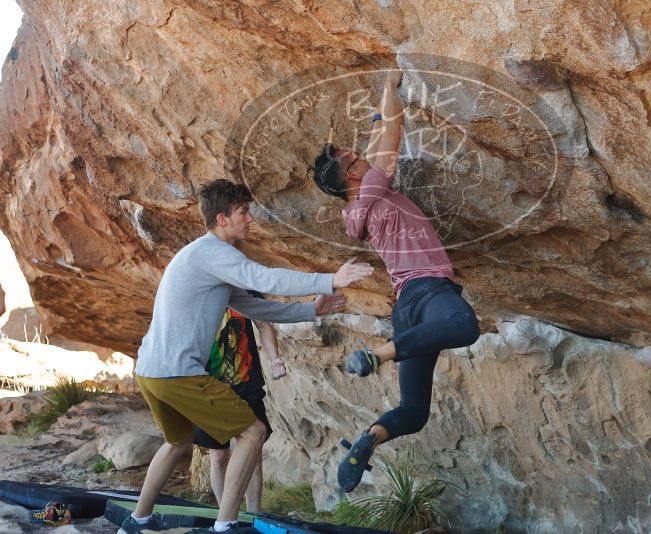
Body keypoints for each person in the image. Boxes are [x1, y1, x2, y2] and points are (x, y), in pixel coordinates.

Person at [119, 178, 372, 534]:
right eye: (243, 212)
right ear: (222, 218)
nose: (250, 219)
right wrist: (330, 278)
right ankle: (226, 525)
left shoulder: (203, 257)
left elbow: (253, 305)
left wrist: (310, 311)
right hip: (178, 373)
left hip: (150, 371)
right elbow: (264, 278)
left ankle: (136, 521)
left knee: (178, 442)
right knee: (253, 432)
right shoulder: (215, 253)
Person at [310, 70, 481, 493]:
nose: (361, 155)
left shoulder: (353, 208)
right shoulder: (371, 185)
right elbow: (393, 128)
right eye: (352, 157)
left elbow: (372, 146)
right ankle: (378, 355)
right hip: (427, 290)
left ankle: (369, 438)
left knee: (413, 411)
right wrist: (389, 87)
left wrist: (370, 128)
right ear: (351, 175)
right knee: (466, 327)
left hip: (405, 308)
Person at [194, 292, 283, 513]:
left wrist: (274, 359)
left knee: (253, 452)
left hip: (246, 386)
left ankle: (253, 514)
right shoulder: (197, 292)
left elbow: (263, 324)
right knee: (218, 456)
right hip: (209, 390)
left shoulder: (244, 290)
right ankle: (226, 514)